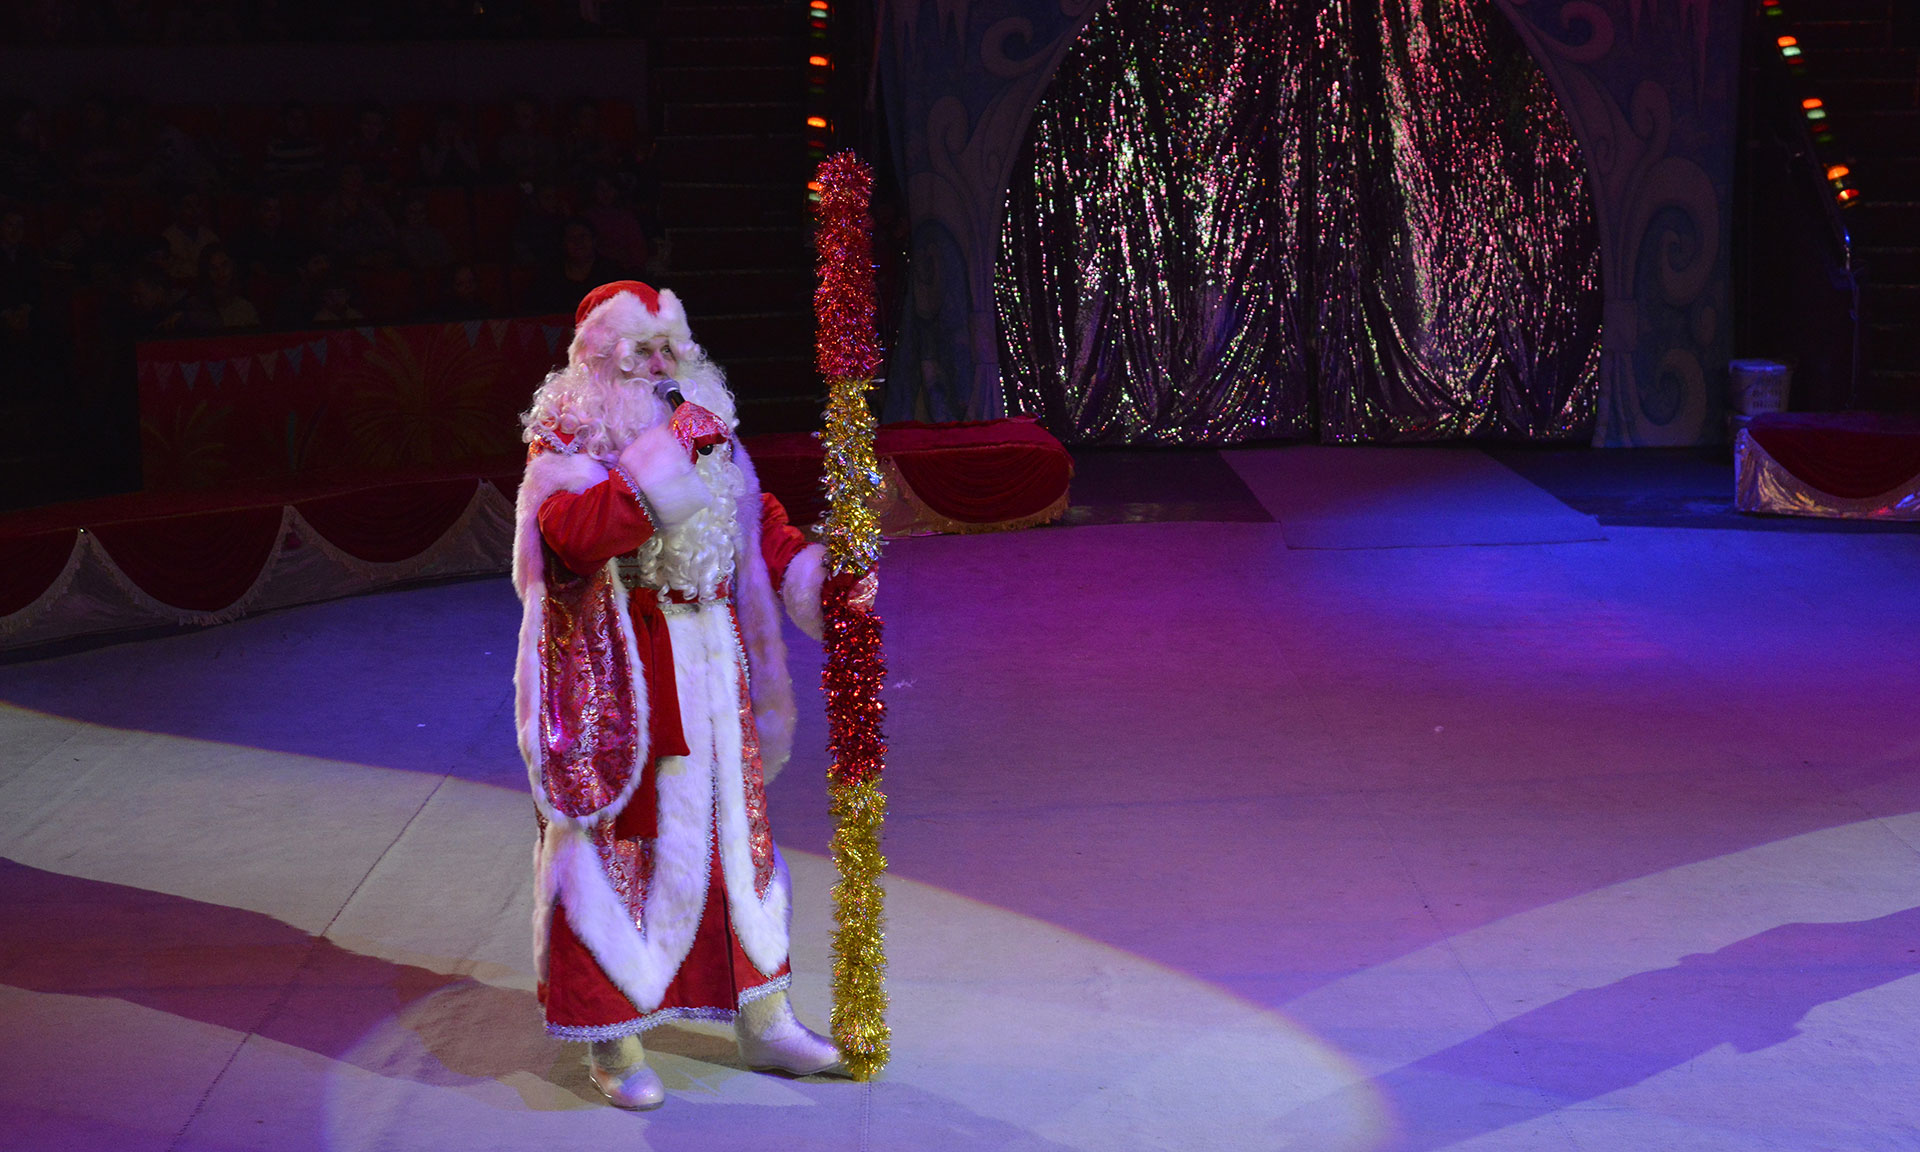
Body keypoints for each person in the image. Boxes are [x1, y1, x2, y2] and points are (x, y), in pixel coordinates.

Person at [513, 281, 859, 1110]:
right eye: (644, 351)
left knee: (737, 842)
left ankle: (763, 1015)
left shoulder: (704, 423)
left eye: (672, 347)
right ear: (600, 360)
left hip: (715, 659)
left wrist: (824, 583)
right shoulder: (566, 437)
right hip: (626, 670)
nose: (664, 364)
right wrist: (665, 455)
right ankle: (614, 1039)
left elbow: (756, 523)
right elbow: (574, 537)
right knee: (615, 853)